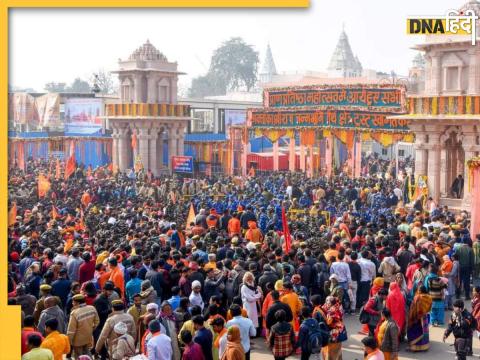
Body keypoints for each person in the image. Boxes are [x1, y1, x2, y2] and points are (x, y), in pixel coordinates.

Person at [67, 293, 100, 358]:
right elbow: (97, 321)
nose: (72, 303)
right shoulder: (92, 308)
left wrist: (69, 341)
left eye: (73, 302)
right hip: (88, 337)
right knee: (87, 353)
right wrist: (91, 329)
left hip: (77, 340)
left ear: (77, 302)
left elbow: (71, 330)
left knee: (79, 356)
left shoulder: (74, 313)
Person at [407, 285, 432, 352]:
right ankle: (424, 347)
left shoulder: (418, 297)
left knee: (415, 332)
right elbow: (429, 308)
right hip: (425, 316)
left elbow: (414, 308)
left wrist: (412, 317)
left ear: (420, 290)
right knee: (423, 331)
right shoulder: (429, 297)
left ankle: (414, 348)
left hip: (417, 318)